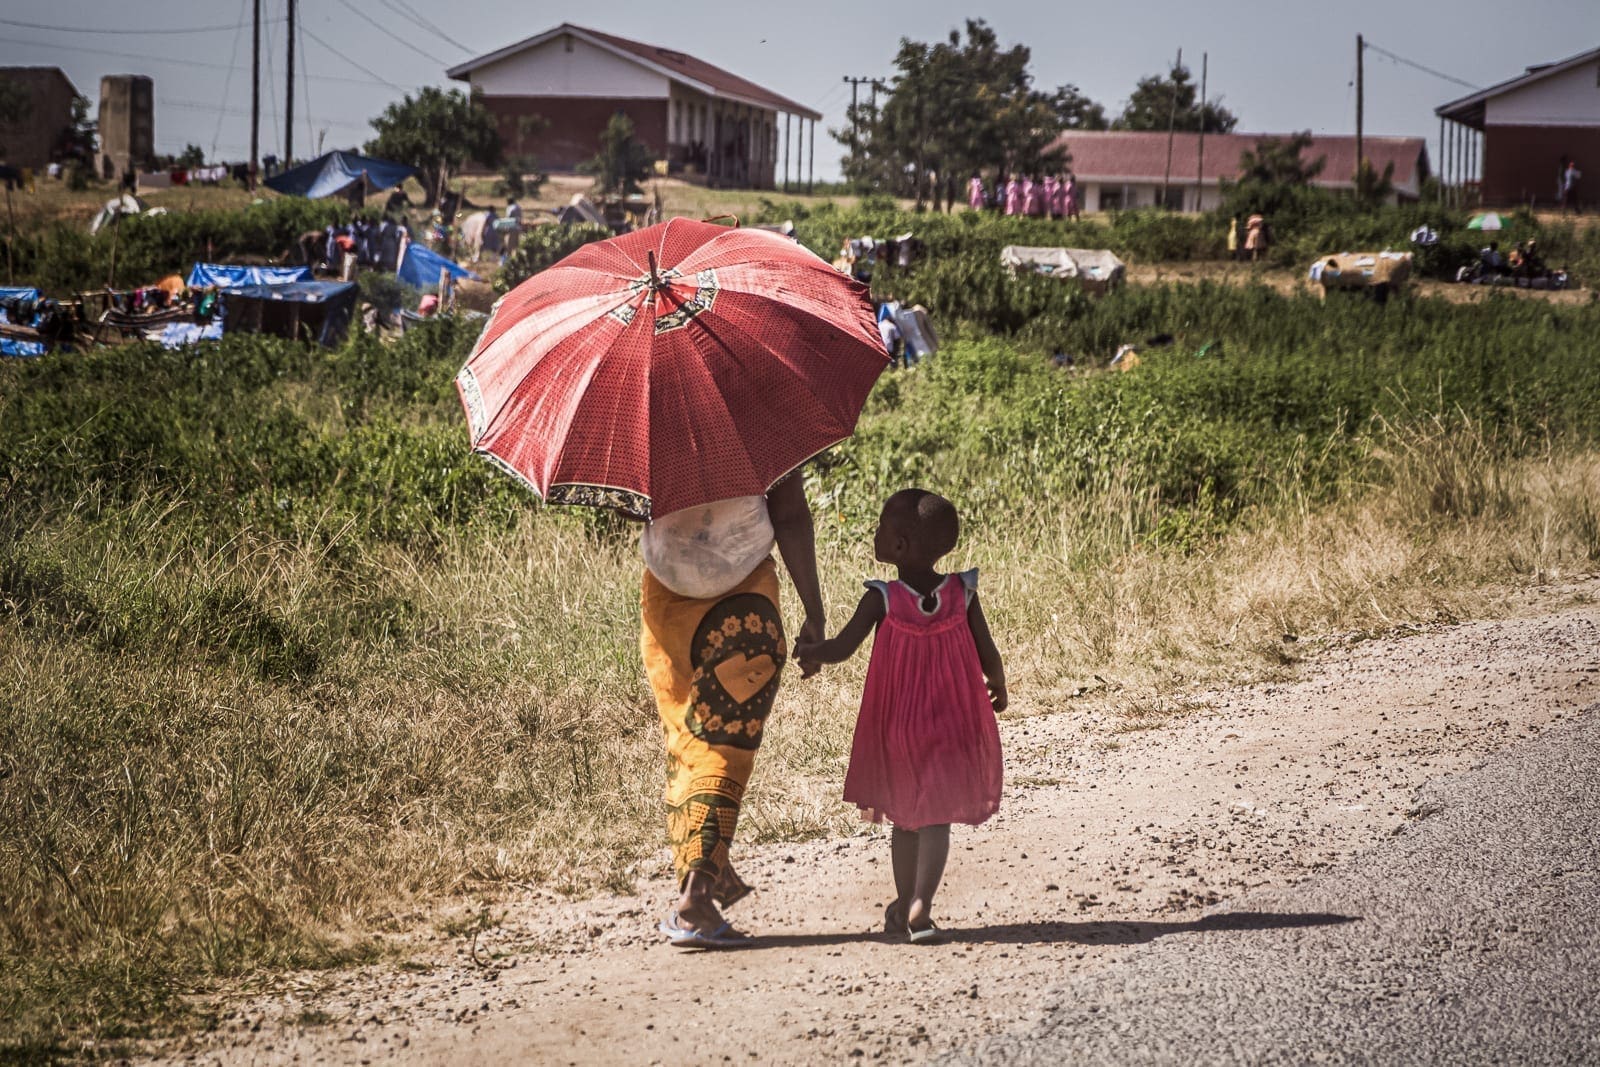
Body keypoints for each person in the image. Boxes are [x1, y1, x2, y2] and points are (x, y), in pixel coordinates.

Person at [795, 489, 1006, 944]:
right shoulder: (960, 594)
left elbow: (843, 648)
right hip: (952, 722)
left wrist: (811, 652)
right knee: (936, 820)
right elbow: (988, 652)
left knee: (906, 820)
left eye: (880, 528)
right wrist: (999, 684)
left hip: (899, 727)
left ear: (901, 546)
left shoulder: (883, 598)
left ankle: (903, 896)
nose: (874, 533)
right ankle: (920, 906)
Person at [647, 477, 827, 948]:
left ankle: (699, 877)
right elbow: (788, 513)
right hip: (746, 602)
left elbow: (634, 510)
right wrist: (815, 612)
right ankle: (697, 894)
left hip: (666, 599)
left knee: (689, 743)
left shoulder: (642, 428)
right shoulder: (759, 411)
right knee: (723, 745)